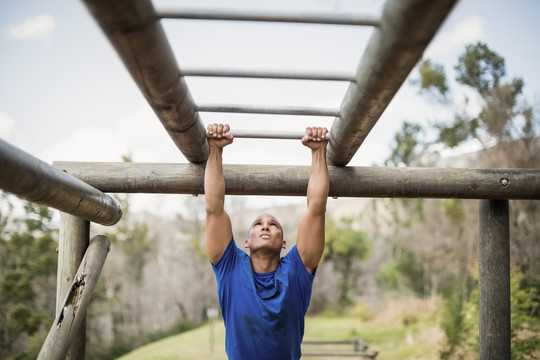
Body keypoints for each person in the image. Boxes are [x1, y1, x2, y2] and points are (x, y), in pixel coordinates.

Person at [204, 123, 329, 360]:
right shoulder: (230, 268)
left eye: (273, 225)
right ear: (246, 242)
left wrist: (318, 151)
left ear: (284, 244)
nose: (265, 225)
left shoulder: (296, 271)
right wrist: (215, 149)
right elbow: (214, 208)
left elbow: (316, 209)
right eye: (258, 224)